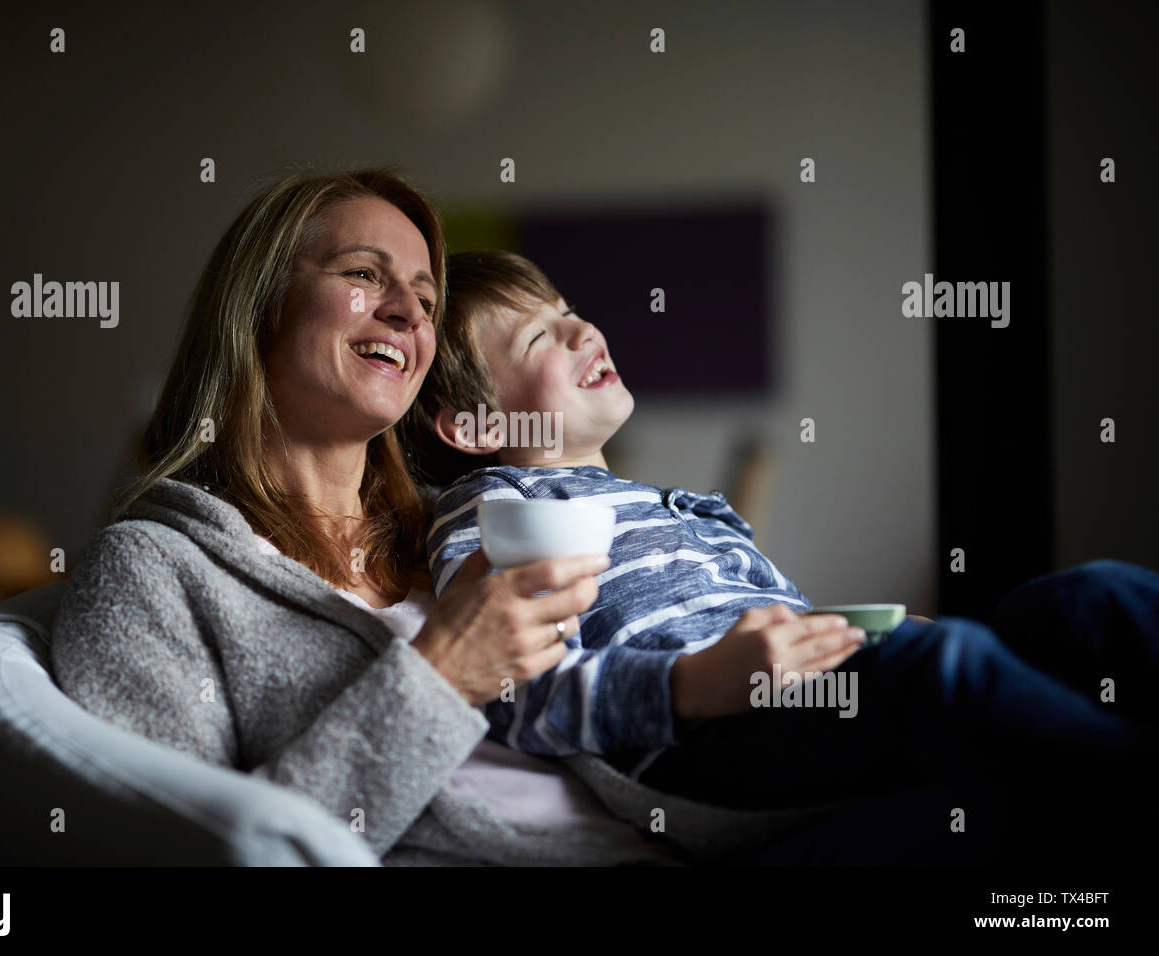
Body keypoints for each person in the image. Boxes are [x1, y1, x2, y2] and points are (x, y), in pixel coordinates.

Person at [51, 167, 908, 868]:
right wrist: (441, 675)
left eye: (423, 295)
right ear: (260, 306)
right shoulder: (150, 572)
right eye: (362, 275)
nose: (407, 310)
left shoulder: (478, 523)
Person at [401, 249, 1159, 864]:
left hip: (788, 691)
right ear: (470, 428)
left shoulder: (668, 506)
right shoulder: (495, 507)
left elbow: (781, 620)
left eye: (567, 312)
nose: (581, 330)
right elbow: (513, 690)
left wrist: (861, 638)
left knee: (1084, 601)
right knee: (949, 666)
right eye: (539, 337)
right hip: (698, 741)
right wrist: (687, 684)